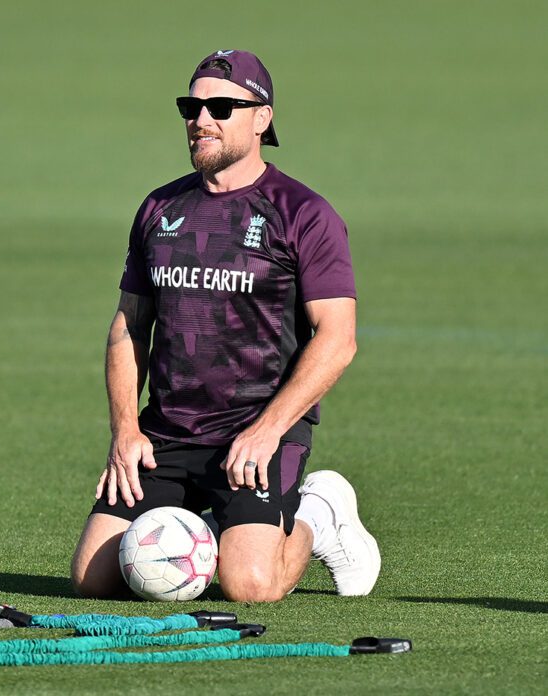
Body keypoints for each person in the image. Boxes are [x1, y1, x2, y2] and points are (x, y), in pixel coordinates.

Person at [70, 50, 379, 601]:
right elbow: (129, 326)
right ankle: (215, 525)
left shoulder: (303, 214)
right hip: (167, 433)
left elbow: (338, 338)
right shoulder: (160, 208)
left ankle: (319, 514)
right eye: (191, 107)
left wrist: (268, 430)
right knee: (93, 578)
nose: (200, 120)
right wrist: (126, 431)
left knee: (250, 584)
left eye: (220, 108)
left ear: (261, 118)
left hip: (256, 430)